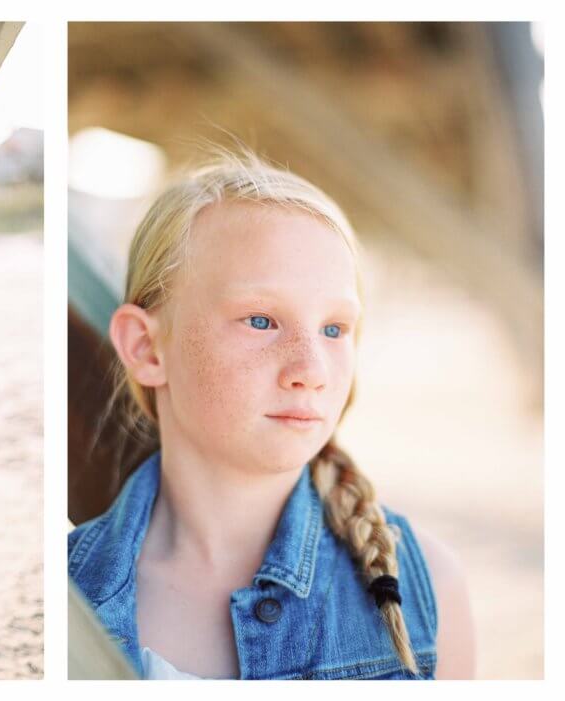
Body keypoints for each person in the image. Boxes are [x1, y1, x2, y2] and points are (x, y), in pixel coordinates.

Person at [68, 150, 476, 680]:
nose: (311, 369)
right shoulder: (68, 597)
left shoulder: (428, 592)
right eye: (261, 320)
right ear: (146, 348)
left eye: (334, 329)